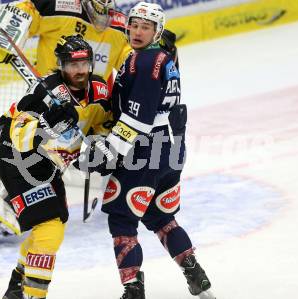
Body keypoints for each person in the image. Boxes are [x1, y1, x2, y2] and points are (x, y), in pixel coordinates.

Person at [80, 2, 214, 298]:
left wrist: (109, 151)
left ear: (157, 31)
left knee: (122, 219)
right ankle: (197, 277)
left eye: (146, 27)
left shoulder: (140, 61)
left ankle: (133, 290)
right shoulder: (164, 58)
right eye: (134, 25)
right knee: (162, 218)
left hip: (145, 151)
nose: (137, 31)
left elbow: (138, 117)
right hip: (171, 150)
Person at [0, 0, 131, 238]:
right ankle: (4, 202)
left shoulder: (120, 29)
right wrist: (10, 30)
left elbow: (132, 64)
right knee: (38, 151)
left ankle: (19, 202)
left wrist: (156, 55)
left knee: (69, 158)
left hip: (93, 108)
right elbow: (29, 8)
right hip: (51, 105)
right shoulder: (61, 7)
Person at [0, 35, 112, 299]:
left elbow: (102, 125)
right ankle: (32, 295)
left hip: (50, 167)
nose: (79, 71)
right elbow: (13, 136)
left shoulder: (100, 90)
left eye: (84, 64)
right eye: (72, 65)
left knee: (53, 224)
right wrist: (47, 125)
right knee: (50, 228)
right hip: (19, 163)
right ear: (61, 65)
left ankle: (17, 286)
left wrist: (102, 150)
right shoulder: (43, 92)